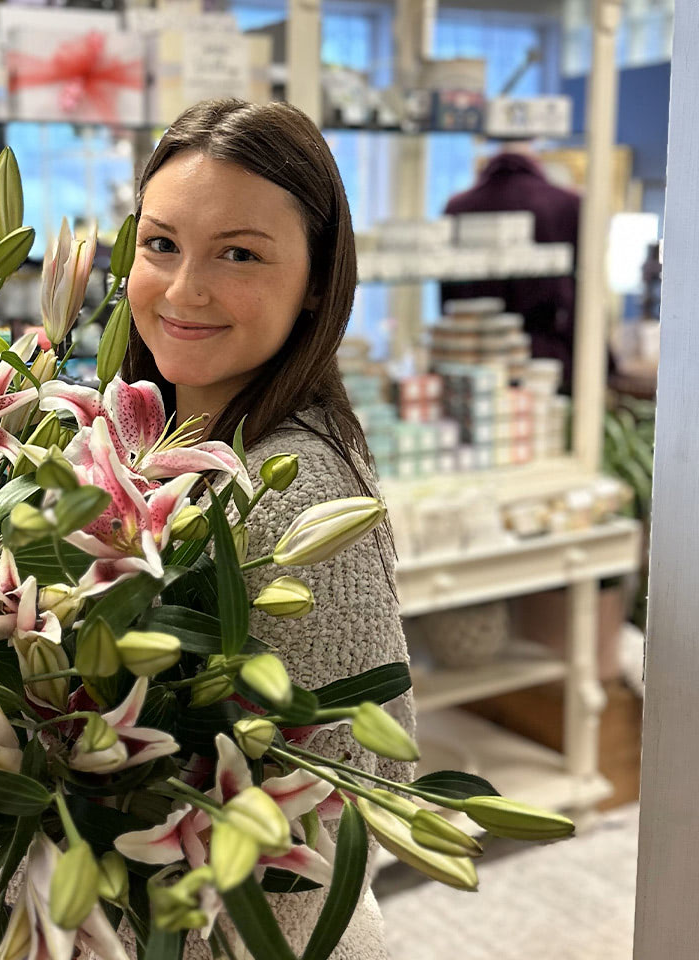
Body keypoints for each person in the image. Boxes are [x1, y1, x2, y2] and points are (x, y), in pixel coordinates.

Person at [122, 98, 414, 958]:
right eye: (161, 244)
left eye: (239, 255)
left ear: (319, 279)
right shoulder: (159, 437)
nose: (183, 290)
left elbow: (365, 784)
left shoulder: (295, 488)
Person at [440, 146, 581, 391]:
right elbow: (580, 299)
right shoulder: (569, 204)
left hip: (472, 362)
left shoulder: (457, 206)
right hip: (547, 365)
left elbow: (448, 302)